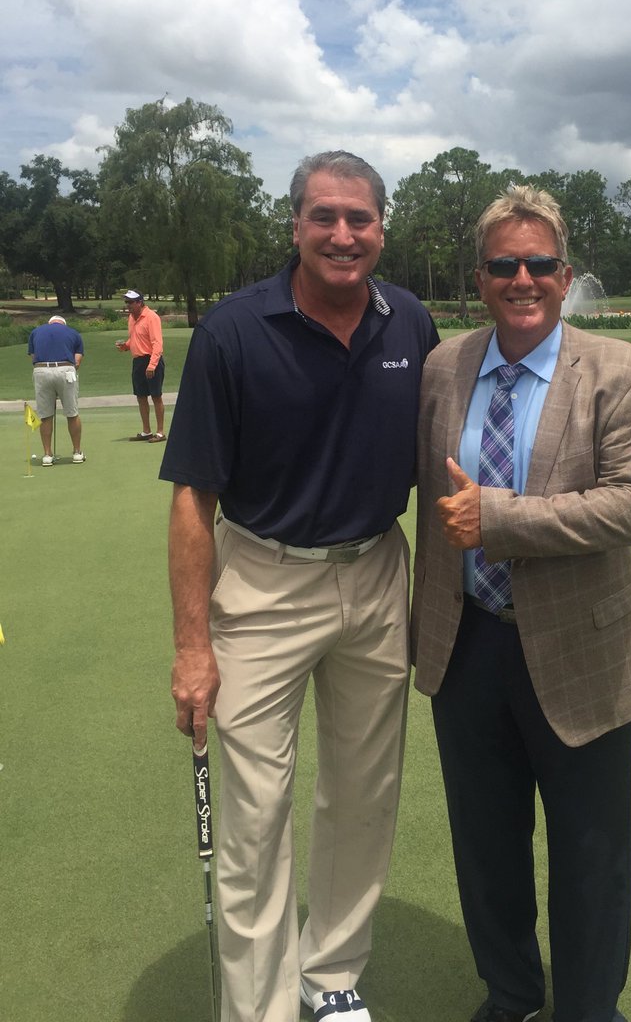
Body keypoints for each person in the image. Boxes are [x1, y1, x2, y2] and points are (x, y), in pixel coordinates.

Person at [160, 151, 439, 1022]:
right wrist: (192, 647)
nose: (342, 234)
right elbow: (193, 498)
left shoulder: (411, 323)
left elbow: (440, 468)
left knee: (364, 793)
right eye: (324, 216)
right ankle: (260, 1007)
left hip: (377, 571)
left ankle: (331, 975)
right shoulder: (234, 331)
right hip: (264, 583)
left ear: (381, 229)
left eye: (359, 218)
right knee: (255, 813)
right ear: (295, 225)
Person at [411, 186, 631, 1022]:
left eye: (539, 264)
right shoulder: (443, 368)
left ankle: (589, 1008)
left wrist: (499, 519)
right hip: (465, 643)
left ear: (564, 274)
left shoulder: (625, 373)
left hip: (583, 647)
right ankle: (512, 992)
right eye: (503, 265)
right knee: (486, 843)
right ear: (480, 279)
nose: (521, 279)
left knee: (591, 850)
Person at [27, 314, 85, 465]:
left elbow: (33, 357)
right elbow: (77, 361)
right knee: (72, 413)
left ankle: (47, 455)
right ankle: (77, 452)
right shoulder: (73, 333)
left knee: (45, 415)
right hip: (66, 370)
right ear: (63, 324)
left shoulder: (36, 332)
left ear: (50, 323)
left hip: (41, 370)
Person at [116, 289, 166, 442]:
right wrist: (125, 346)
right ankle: (146, 431)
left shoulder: (151, 317)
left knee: (156, 396)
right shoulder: (131, 318)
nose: (128, 305)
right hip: (138, 361)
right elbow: (134, 339)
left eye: (130, 302)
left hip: (152, 360)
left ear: (139, 302)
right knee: (141, 396)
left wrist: (152, 365)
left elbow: (157, 343)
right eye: (126, 302)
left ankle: (160, 432)